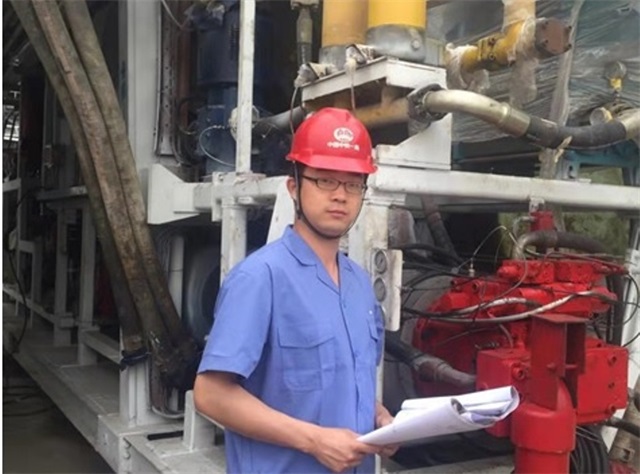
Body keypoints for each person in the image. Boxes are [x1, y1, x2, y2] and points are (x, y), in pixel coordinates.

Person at [194, 107, 397, 473]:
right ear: (294, 187)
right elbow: (211, 395)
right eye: (325, 180)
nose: (340, 196)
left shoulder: (359, 285)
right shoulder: (260, 279)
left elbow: (345, 382)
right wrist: (313, 440)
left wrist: (379, 417)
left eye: (353, 183)